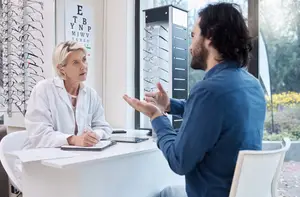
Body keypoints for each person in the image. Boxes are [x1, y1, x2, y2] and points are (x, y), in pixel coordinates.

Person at [123, 3, 266, 197]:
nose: (190, 46)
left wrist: (156, 116)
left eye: (193, 35)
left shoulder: (209, 91)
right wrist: (169, 105)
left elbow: (178, 161)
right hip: (238, 192)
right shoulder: (252, 85)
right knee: (168, 192)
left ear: (210, 37)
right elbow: (217, 115)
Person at [23, 40, 112, 149]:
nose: (83, 66)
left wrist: (94, 135)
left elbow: (103, 127)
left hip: (77, 157)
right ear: (61, 69)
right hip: (43, 158)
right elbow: (39, 134)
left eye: (84, 60)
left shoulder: (90, 94)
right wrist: (73, 140)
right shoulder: (43, 90)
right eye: (76, 62)